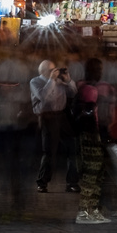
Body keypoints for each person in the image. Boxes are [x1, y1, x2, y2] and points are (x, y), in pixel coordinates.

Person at [30, 60, 77, 193]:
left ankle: (72, 182)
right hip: (48, 117)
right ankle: (42, 182)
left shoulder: (59, 81)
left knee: (73, 147)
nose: (55, 71)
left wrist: (68, 80)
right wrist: (51, 81)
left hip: (61, 116)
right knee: (50, 152)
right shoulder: (35, 82)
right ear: (44, 71)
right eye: (52, 70)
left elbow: (73, 93)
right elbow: (43, 97)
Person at [73, 58, 111, 224]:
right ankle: (84, 211)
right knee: (92, 172)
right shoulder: (90, 90)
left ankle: (93, 209)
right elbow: (90, 116)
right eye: (98, 69)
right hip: (91, 135)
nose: (100, 72)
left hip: (94, 134)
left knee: (98, 173)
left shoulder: (85, 87)